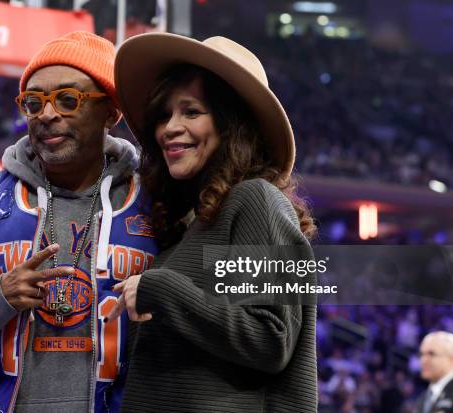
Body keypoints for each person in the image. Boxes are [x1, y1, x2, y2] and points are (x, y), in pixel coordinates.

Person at [0, 31, 159, 413]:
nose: (46, 114)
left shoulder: (155, 204)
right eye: (33, 102)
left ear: (112, 112)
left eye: (68, 100)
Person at [107, 33, 318, 412]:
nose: (169, 127)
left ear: (230, 124)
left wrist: (163, 289)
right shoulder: (184, 228)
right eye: (164, 115)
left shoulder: (255, 199)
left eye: (191, 112)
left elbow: (271, 338)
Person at [415, 331, 453, 413]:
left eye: (431, 354)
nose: (423, 360)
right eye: (421, 354)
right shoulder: (422, 399)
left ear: (452, 359)